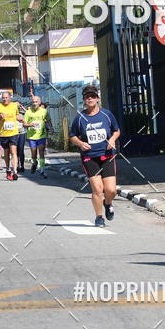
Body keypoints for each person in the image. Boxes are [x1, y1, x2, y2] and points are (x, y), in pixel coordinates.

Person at [69, 85, 120, 228]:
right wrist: (80, 143)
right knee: (97, 189)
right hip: (90, 157)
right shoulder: (80, 118)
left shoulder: (106, 114)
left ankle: (108, 203)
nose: (90, 98)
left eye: (92, 96)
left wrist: (112, 140)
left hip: (107, 155)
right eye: (87, 97)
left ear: (97, 98)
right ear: (84, 100)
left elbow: (117, 131)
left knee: (111, 190)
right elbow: (72, 136)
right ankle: (99, 217)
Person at [0, 90, 22, 181]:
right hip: (3, 133)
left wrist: (20, 118)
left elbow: (16, 115)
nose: (4, 99)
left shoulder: (14, 105)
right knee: (6, 152)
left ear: (10, 98)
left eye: (6, 97)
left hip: (13, 132)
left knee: (14, 152)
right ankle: (8, 169)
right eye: (3, 98)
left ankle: (15, 171)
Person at [24, 95, 51, 178]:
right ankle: (34, 162)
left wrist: (51, 128)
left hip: (41, 135)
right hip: (31, 136)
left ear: (39, 102)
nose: (34, 103)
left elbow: (48, 120)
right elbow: (24, 124)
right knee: (34, 153)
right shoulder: (28, 112)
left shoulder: (44, 111)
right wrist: (30, 124)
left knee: (41, 152)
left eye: (36, 102)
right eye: (33, 102)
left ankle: (42, 169)